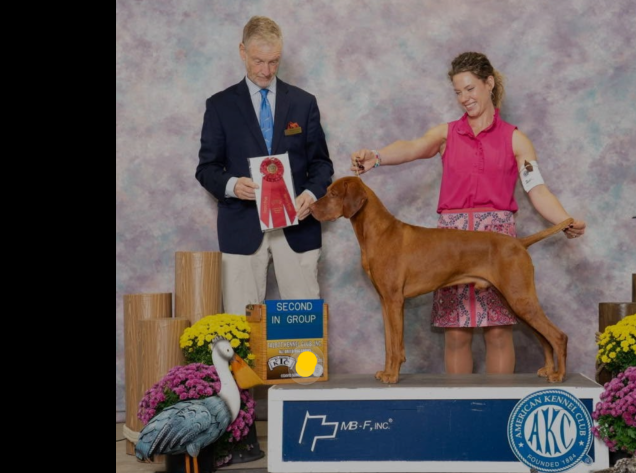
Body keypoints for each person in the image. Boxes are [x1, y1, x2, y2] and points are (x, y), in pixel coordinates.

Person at [351, 52, 586, 375]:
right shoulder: (446, 134)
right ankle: (458, 404)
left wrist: (564, 220)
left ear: (489, 83)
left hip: (495, 239)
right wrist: (376, 157)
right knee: (456, 334)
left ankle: (497, 402)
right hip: (449, 242)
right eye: (458, 92)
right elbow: (412, 147)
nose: (464, 98)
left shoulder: (515, 139)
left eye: (470, 89)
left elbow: (537, 189)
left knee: (498, 332)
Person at [196, 16, 333, 314]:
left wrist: (310, 195)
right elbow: (206, 169)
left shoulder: (304, 103)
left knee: (303, 321)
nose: (266, 71)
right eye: (258, 61)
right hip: (241, 225)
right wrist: (233, 186)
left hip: (298, 227)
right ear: (242, 51)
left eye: (274, 62)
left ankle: (304, 351)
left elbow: (322, 165)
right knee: (240, 324)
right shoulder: (219, 106)